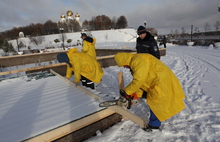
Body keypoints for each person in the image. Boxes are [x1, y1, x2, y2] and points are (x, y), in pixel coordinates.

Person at [114, 52, 185, 131]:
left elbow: (139, 80)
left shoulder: (137, 60)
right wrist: (137, 94)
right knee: (157, 101)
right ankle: (155, 123)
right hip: (157, 80)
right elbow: (143, 80)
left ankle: (154, 126)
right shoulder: (137, 60)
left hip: (160, 81)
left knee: (156, 102)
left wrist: (126, 91)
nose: (124, 67)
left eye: (124, 64)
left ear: (125, 60)